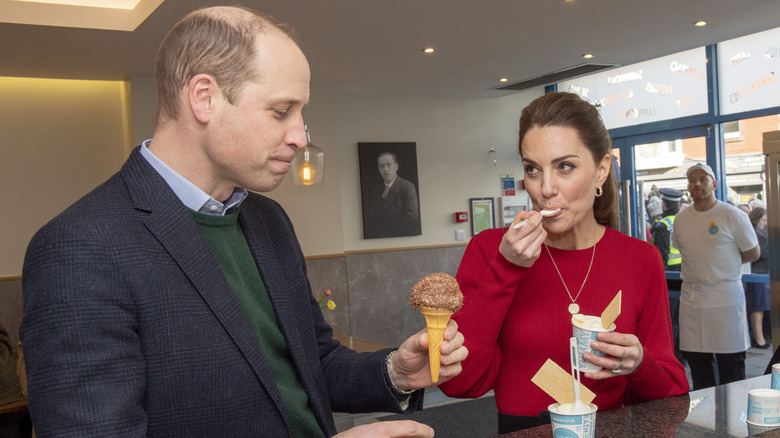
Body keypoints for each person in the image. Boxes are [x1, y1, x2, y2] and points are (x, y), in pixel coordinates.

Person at [19, 7, 468, 437]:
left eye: (301, 114)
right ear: (204, 98)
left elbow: (313, 364)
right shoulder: (78, 248)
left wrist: (393, 372)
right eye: (280, 111)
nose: (299, 137)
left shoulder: (268, 220)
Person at [438, 92, 688, 434]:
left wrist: (638, 364)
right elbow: (459, 383)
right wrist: (506, 269)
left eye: (565, 166)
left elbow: (671, 394)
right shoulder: (490, 249)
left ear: (601, 170)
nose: (546, 188)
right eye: (532, 169)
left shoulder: (641, 259)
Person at [673, 163, 760, 390]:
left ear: (714, 184)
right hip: (692, 298)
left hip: (725, 297)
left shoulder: (732, 215)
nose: (697, 184)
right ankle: (704, 419)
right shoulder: (681, 219)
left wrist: (723, 265)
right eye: (692, 180)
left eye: (703, 179)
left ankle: (734, 419)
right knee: (697, 362)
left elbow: (753, 251)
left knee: (730, 364)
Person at [365, 152, 421, 238]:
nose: (385, 169)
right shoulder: (378, 190)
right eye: (382, 166)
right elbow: (373, 218)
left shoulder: (407, 187)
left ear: (396, 167)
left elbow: (412, 218)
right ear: (379, 169)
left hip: (400, 236)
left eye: (388, 165)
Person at [746, 207, 770, 349]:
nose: (765, 223)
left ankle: (761, 336)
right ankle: (759, 338)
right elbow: (756, 254)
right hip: (757, 273)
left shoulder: (762, 233)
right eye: (763, 220)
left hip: (762, 272)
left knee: (761, 306)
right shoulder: (755, 233)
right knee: (758, 307)